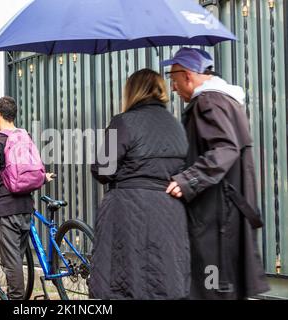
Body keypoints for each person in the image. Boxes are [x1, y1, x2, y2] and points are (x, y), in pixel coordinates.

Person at [162, 47, 270, 299]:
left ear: (187, 75)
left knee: (210, 288)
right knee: (219, 288)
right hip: (226, 213)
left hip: (216, 218)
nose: (174, 88)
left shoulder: (208, 101)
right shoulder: (227, 101)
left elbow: (224, 148)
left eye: (173, 79)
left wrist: (188, 180)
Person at [89, 69, 190, 299]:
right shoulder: (176, 125)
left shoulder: (123, 122)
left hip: (126, 212)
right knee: (164, 279)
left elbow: (102, 170)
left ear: (132, 92)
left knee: (123, 280)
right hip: (169, 211)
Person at [0, 96, 53, 300]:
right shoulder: (24, 136)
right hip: (26, 205)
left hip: (7, 208)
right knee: (16, 256)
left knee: (12, 262)